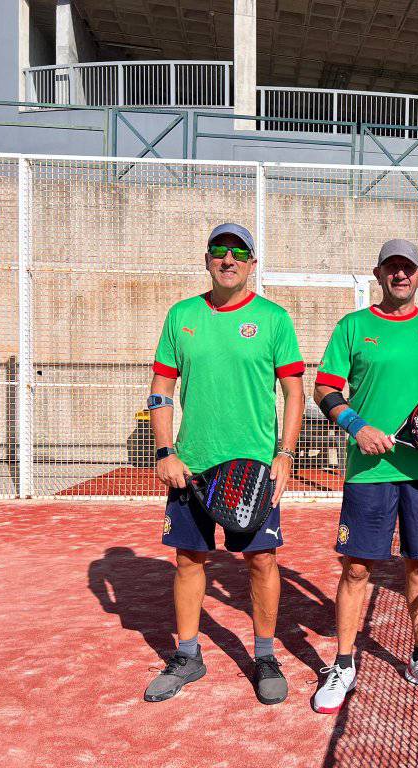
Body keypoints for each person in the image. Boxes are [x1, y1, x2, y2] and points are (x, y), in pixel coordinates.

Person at [311, 238, 418, 713]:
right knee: (357, 568)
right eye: (392, 267)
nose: (400, 275)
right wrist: (357, 426)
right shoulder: (353, 326)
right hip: (368, 472)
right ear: (379, 274)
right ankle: (343, 664)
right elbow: (324, 389)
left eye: (408, 268)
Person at [143, 223, 305, 705]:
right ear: (207, 259)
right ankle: (188, 655)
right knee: (188, 559)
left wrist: (285, 454)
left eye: (238, 253)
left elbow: (294, 393)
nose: (228, 260)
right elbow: (161, 387)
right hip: (192, 466)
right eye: (219, 251)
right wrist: (165, 451)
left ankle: (265, 655)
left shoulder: (274, 319)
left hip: (254, 470)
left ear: (252, 263)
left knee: (262, 560)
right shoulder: (182, 315)